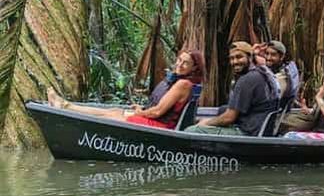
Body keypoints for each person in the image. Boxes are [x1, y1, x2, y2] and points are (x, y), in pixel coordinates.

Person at [46, 50, 205, 130]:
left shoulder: (183, 84)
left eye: (186, 63)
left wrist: (139, 112)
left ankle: (66, 107)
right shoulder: (180, 81)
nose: (179, 64)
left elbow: (157, 112)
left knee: (113, 116)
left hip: (161, 126)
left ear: (194, 68)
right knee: (115, 110)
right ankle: (66, 106)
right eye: (179, 60)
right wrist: (141, 110)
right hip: (156, 120)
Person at [185, 41, 280, 136]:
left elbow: (229, 118)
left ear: (250, 57)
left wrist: (206, 123)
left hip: (246, 132)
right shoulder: (263, 72)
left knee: (190, 131)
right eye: (232, 58)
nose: (235, 62)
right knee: (222, 109)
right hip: (258, 127)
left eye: (239, 57)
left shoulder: (247, 80)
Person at [254, 40, 300, 106]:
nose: (268, 58)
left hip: (275, 111)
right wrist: (253, 53)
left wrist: (263, 67)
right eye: (267, 54)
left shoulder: (286, 73)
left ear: (281, 57)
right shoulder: (271, 68)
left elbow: (273, 95)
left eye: (273, 55)